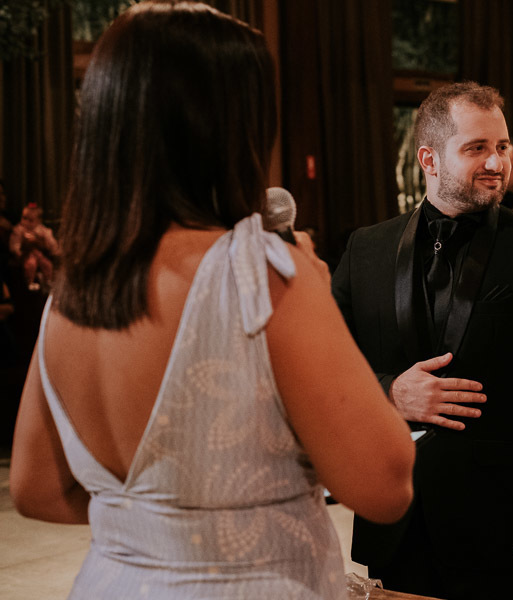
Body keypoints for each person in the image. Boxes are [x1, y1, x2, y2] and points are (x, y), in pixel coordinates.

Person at [9, 3, 415, 598]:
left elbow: (36, 488)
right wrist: (316, 295)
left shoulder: (73, 292)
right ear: (230, 128)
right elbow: (385, 482)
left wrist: (160, 529)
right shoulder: (262, 273)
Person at [332, 81, 513, 600]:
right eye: (477, 148)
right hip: (396, 518)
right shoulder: (366, 248)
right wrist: (389, 392)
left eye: (501, 147)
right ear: (429, 158)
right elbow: (327, 364)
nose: (497, 162)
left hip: (506, 524)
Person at [9, 203, 60, 291]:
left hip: (39, 254)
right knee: (30, 264)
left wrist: (54, 250)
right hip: (27, 254)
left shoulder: (42, 230)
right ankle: (30, 282)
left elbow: (51, 242)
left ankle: (49, 281)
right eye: (24, 218)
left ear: (38, 221)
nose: (26, 222)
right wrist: (18, 251)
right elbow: (14, 242)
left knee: (47, 264)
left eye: (31, 220)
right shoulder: (19, 230)